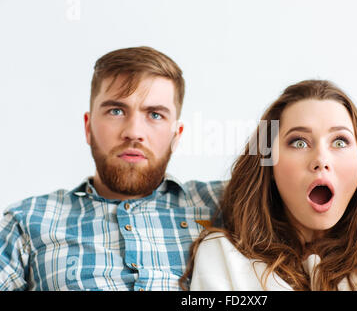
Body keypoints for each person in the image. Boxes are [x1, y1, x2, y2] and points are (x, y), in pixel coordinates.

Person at [182, 80, 357, 291]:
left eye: (340, 141)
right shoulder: (224, 257)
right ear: (269, 164)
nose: (321, 159)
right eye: (299, 142)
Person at [0, 46, 224, 290]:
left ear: (176, 135)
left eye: (155, 115)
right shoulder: (27, 220)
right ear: (88, 127)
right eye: (116, 111)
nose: (134, 133)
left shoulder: (225, 203)